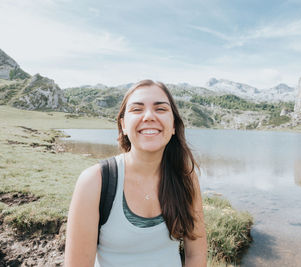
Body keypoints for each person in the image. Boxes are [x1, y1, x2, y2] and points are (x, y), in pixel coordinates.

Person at [64, 80, 207, 267]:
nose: (148, 116)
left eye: (161, 109)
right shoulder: (94, 181)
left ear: (173, 126)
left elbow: (195, 255)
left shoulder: (186, 179)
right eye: (137, 109)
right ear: (123, 125)